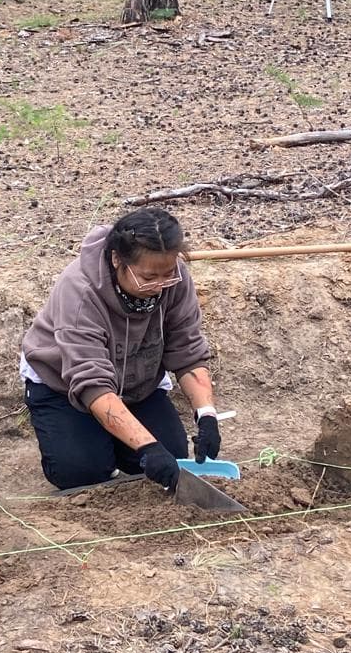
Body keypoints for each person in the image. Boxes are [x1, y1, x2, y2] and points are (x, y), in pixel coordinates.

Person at [20, 207, 223, 493]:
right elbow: (91, 383)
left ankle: (114, 438)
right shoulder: (80, 292)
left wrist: (207, 414)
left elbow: (187, 350)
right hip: (64, 386)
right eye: (148, 277)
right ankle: (92, 443)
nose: (159, 286)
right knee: (82, 471)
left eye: (167, 275)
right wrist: (147, 446)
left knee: (173, 454)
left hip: (137, 382)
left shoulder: (173, 280)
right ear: (117, 259)